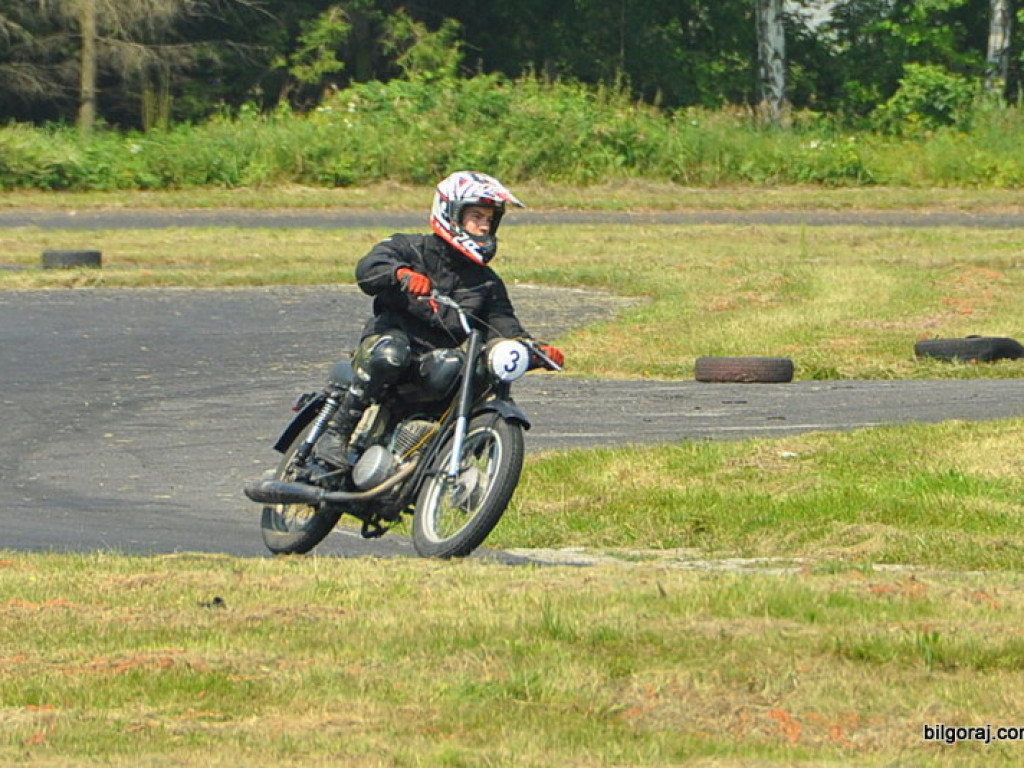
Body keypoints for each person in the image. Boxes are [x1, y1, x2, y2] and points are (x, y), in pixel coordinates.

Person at [326, 170, 565, 462]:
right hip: (388, 344)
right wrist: (400, 274)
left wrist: (533, 350)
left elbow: (504, 326)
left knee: (470, 369)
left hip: (432, 362)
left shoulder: (486, 282)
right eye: (476, 217)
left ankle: (422, 456)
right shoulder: (410, 247)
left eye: (489, 220)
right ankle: (336, 434)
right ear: (451, 213)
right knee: (392, 353)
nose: (483, 227)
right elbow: (368, 269)